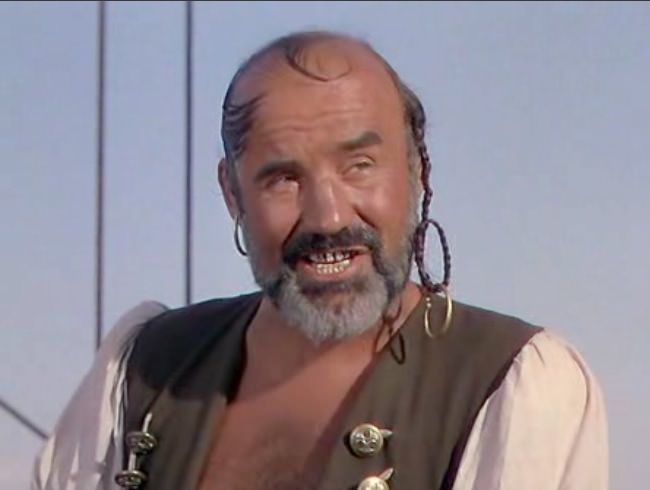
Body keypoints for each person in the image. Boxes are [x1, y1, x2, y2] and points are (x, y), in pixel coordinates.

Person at [32, 31, 608, 490]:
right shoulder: (143, 369)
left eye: (359, 166)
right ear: (232, 194)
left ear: (416, 172)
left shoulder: (515, 385)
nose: (328, 217)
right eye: (283, 178)